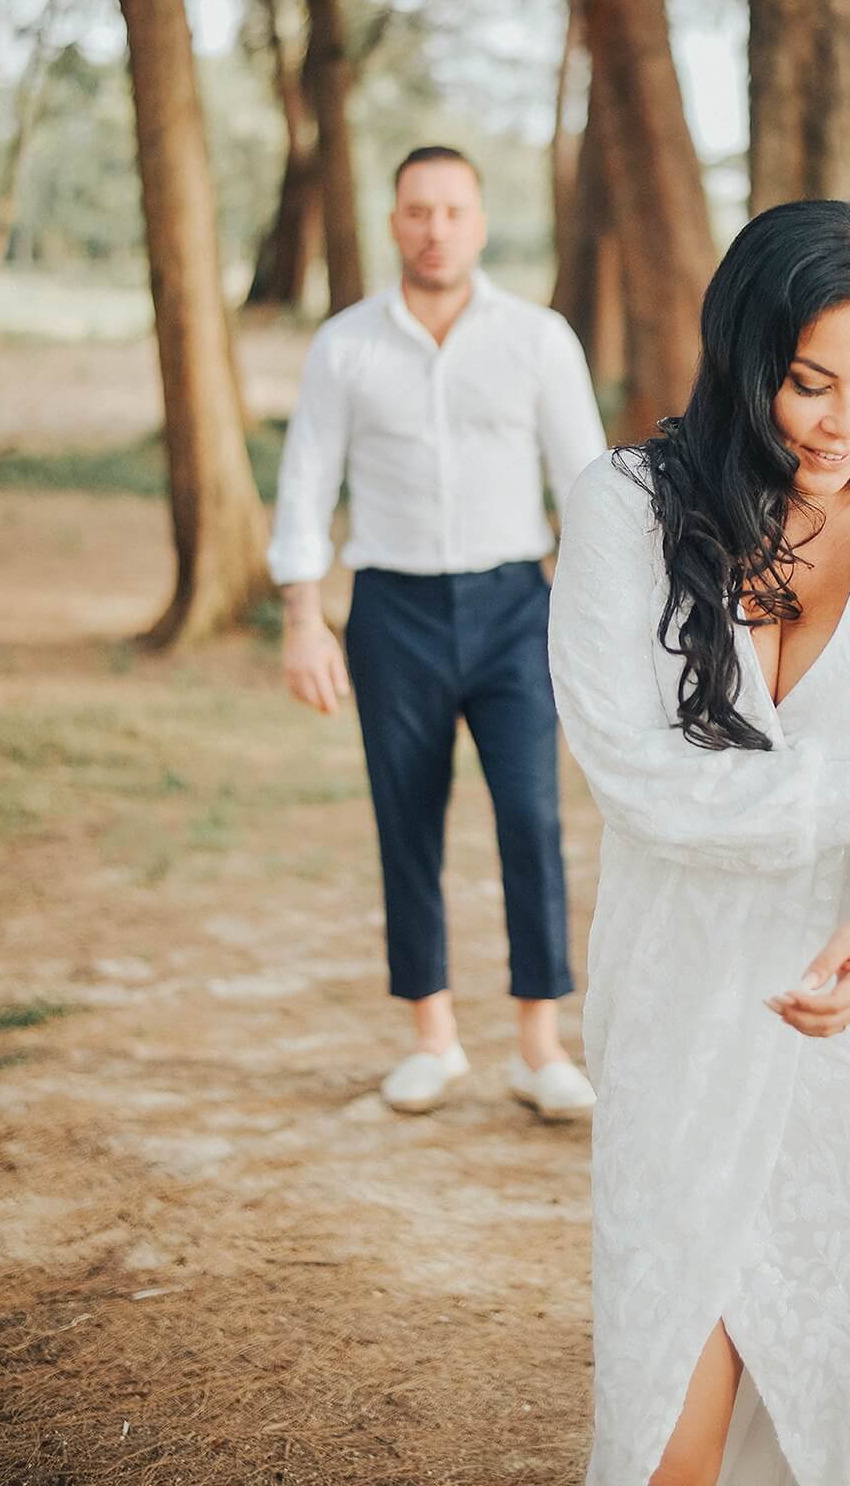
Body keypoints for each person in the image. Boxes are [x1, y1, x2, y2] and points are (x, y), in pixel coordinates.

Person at [548, 200, 850, 1486]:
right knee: (663, 1436)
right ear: (743, 352)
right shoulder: (623, 509)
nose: (841, 421)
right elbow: (647, 781)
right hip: (685, 1020)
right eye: (808, 382)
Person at [269, 144, 605, 1121]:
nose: (434, 228)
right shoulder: (344, 345)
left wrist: (587, 614)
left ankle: (539, 1046)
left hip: (513, 607)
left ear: (479, 220)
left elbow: (586, 484)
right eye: (417, 210)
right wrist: (304, 617)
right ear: (392, 222)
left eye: (452, 209)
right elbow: (305, 482)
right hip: (392, 609)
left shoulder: (538, 339)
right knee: (405, 819)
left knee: (531, 818)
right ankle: (432, 1037)